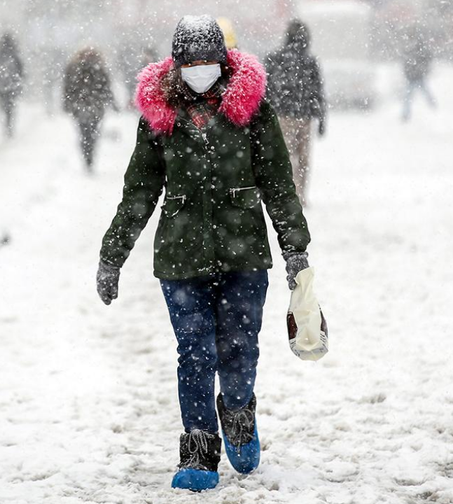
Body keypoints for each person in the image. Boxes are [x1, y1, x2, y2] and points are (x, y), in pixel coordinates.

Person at [96, 15, 312, 492]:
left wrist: (296, 250)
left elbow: (279, 184)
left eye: (208, 61)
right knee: (194, 352)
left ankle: (237, 411)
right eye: (190, 62)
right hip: (180, 256)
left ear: (223, 61)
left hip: (245, 254)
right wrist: (112, 255)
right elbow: (139, 191)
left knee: (239, 348)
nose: (200, 69)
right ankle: (197, 451)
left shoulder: (253, 111)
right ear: (177, 64)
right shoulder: (160, 116)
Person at [264, 20, 326, 207]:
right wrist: (321, 118)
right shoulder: (310, 62)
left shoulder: (274, 58)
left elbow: (266, 90)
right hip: (305, 117)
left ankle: (288, 194)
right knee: (303, 159)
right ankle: (300, 195)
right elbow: (318, 91)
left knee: (285, 157)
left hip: (282, 116)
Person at [62, 48, 116, 173]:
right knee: (92, 133)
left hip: (80, 106)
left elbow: (68, 87)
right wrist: (112, 103)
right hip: (95, 107)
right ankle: (89, 155)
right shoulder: (100, 68)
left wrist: (67, 103)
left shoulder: (73, 68)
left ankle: (87, 155)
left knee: (84, 133)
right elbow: (106, 88)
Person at [0, 33, 24, 138]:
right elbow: (21, 69)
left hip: (1, 86)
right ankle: (9, 125)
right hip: (12, 86)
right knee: (10, 107)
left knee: (5, 106)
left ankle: (7, 124)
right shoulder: (14, 53)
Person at [401, 29, 436, 121]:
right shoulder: (414, 50)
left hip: (416, 76)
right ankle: (433, 107)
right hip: (414, 77)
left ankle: (433, 108)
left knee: (410, 97)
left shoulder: (415, 51)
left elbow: (428, 58)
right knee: (410, 97)